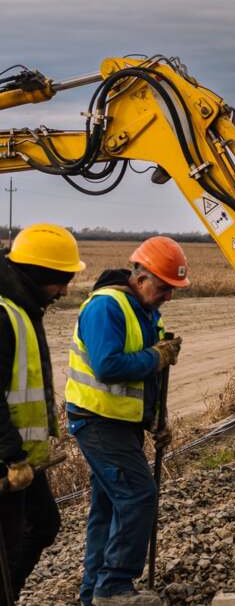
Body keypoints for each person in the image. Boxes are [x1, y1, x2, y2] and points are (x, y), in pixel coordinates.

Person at [67, 237, 188, 606]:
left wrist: (155, 420)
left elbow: (145, 377)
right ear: (140, 277)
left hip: (120, 423)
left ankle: (94, 592)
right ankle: (114, 587)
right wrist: (155, 357)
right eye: (164, 287)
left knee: (109, 506)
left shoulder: (145, 310)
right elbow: (108, 367)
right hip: (98, 420)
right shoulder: (107, 307)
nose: (168, 295)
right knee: (137, 495)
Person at [0, 224, 85, 606]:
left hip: (23, 459)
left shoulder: (23, 308)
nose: (66, 289)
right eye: (62, 280)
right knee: (8, 548)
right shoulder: (4, 315)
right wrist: (13, 457)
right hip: (8, 461)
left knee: (44, 525)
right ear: (38, 275)